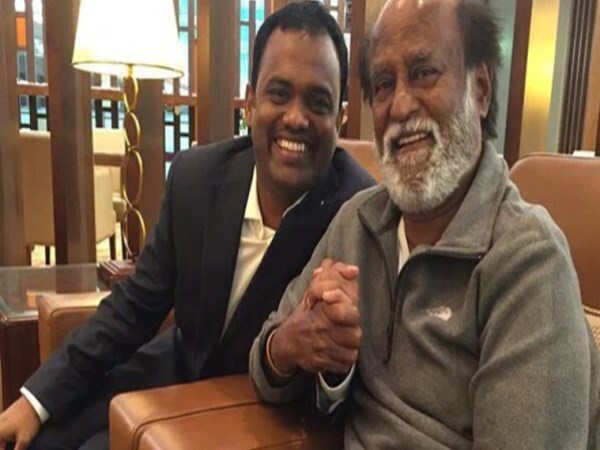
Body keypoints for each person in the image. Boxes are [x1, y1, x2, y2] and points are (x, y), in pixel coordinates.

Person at [0, 2, 375, 450]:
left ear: (340, 117)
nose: (296, 117)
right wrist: (36, 399)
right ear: (250, 102)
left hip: (259, 415)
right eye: (279, 94)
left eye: (318, 102)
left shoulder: (360, 215)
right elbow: (134, 307)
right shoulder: (197, 177)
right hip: (172, 371)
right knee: (39, 439)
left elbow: (353, 379)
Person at [250, 0, 600, 448]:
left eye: (423, 73)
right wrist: (290, 344)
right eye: (384, 84)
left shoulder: (528, 264)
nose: (400, 106)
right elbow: (265, 362)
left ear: (480, 88)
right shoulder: (358, 222)